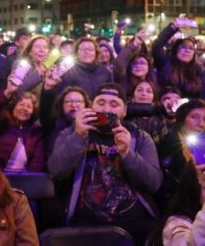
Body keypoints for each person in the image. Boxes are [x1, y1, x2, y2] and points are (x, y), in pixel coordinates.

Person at [48, 83, 161, 243]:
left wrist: (127, 153)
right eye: (100, 103)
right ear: (91, 106)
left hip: (134, 221)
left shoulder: (140, 137)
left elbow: (153, 183)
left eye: (114, 104)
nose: (106, 109)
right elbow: (56, 170)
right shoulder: (71, 133)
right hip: (85, 222)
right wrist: (79, 136)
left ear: (125, 111)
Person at [0, 77, 44, 172]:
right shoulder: (3, 120)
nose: (24, 108)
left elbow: (37, 162)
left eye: (29, 107)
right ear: (14, 107)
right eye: (21, 104)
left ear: (33, 112)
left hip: (22, 181)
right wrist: (8, 92)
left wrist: (28, 182)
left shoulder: (36, 132)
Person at [152, 19, 205, 100]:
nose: (187, 50)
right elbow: (157, 46)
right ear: (176, 50)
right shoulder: (166, 63)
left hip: (189, 109)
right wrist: (173, 26)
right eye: (183, 47)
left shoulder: (198, 71)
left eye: (191, 48)